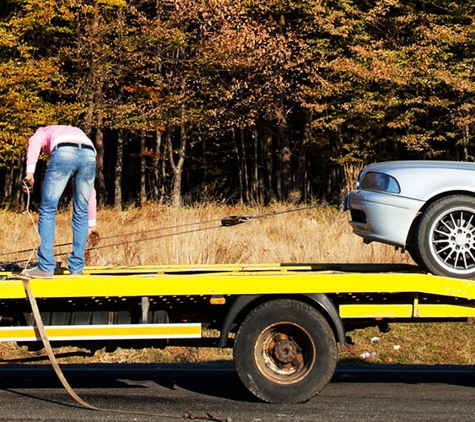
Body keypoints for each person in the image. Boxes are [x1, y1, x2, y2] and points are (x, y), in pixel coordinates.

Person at [21, 125, 99, 279]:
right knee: (81, 210)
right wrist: (92, 224)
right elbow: (91, 192)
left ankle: (45, 267)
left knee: (48, 209)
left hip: (64, 151)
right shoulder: (77, 132)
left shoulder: (42, 131)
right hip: (90, 153)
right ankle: (77, 268)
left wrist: (30, 173)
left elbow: (35, 142)